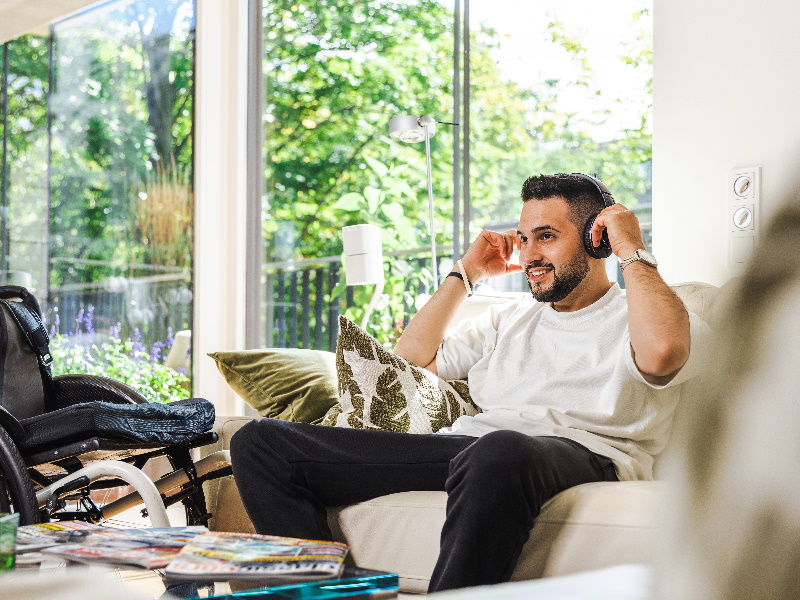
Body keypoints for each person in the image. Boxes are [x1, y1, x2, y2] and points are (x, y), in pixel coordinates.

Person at [230, 173, 711, 592]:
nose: (530, 255)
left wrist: (633, 248)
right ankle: (331, 597)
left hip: (580, 453)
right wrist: (467, 272)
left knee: (501, 449)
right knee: (260, 443)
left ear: (597, 239)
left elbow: (663, 354)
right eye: (523, 239)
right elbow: (410, 363)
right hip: (472, 451)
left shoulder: (652, 313)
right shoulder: (509, 320)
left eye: (546, 237)